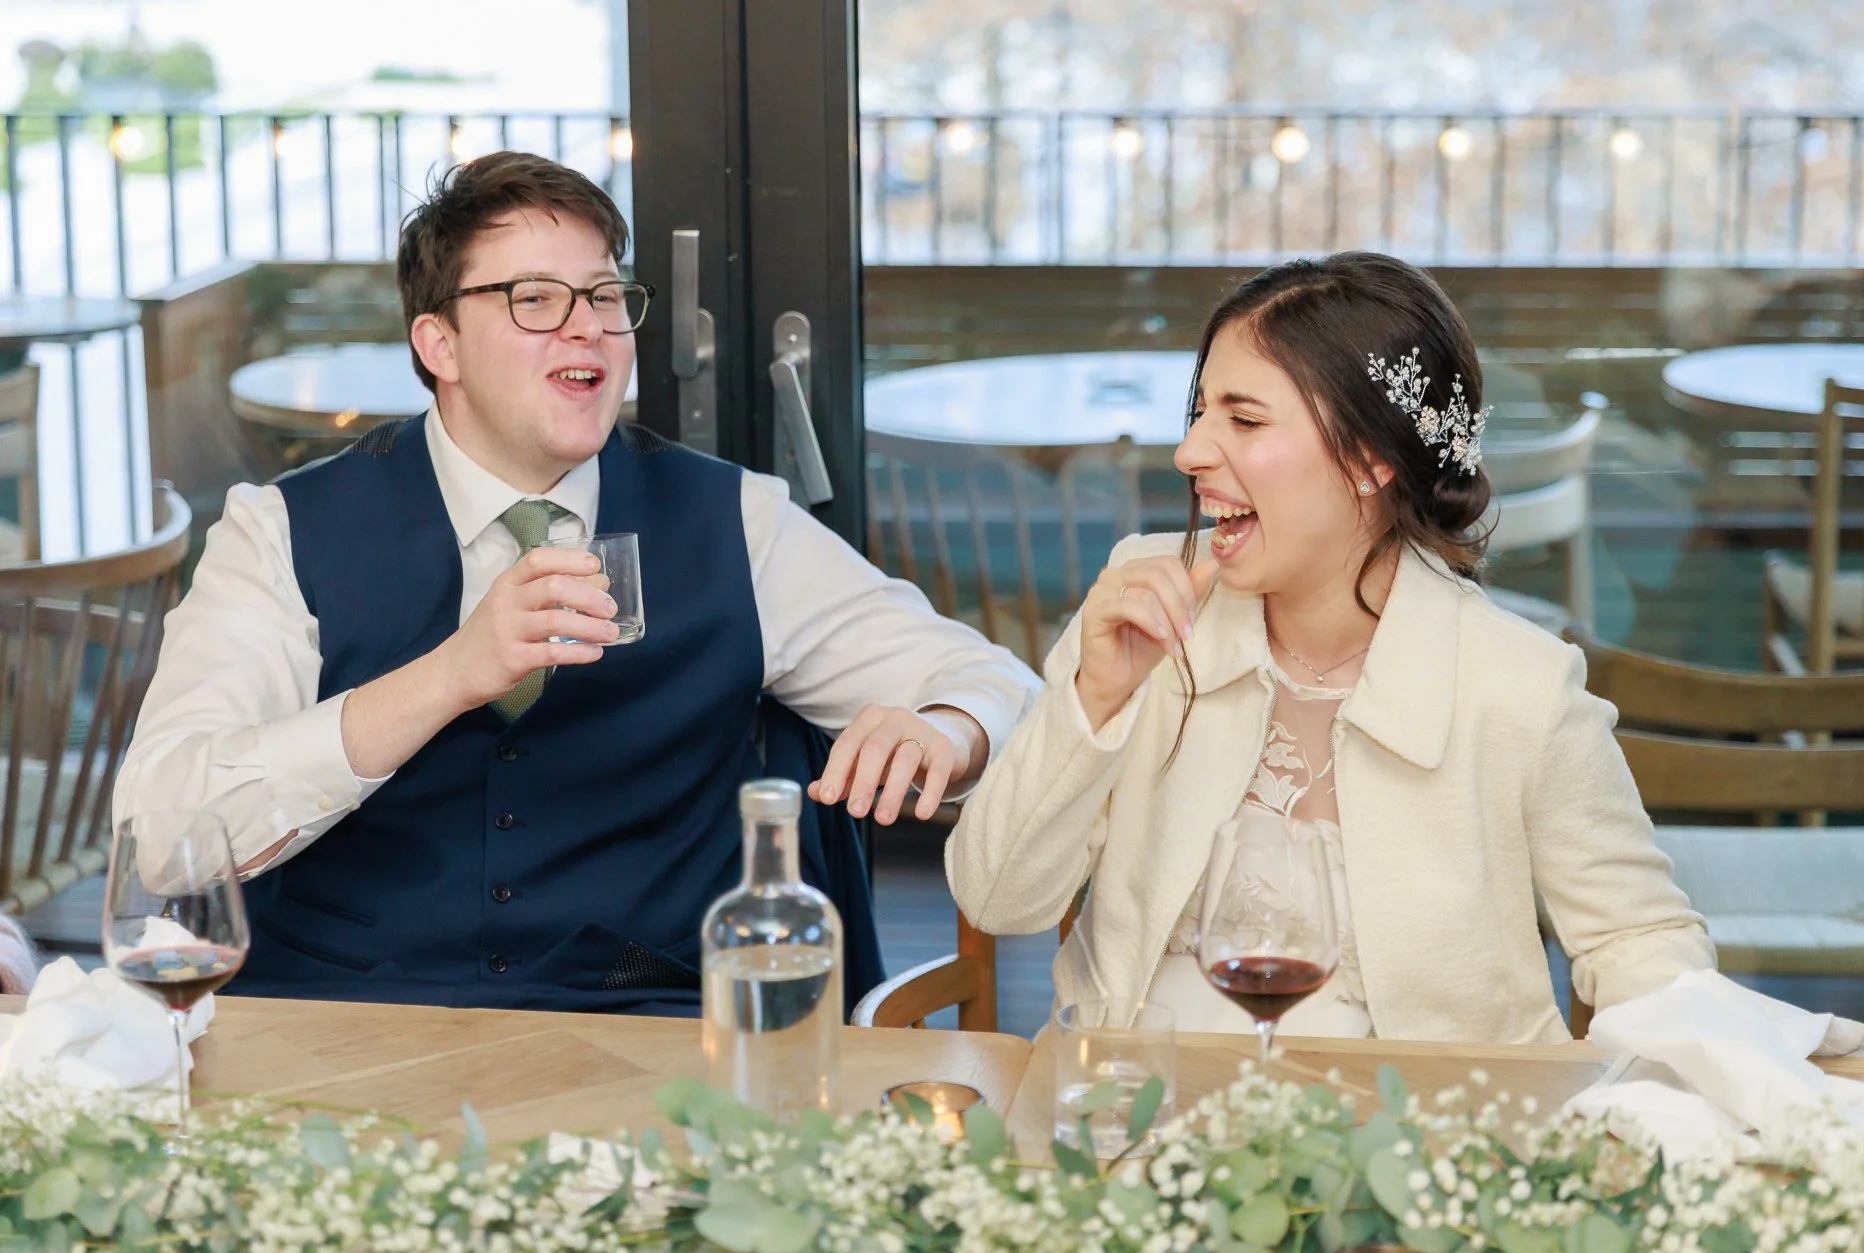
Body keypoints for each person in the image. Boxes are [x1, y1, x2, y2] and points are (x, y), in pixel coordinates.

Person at [114, 151, 1039, 1015]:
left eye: (604, 295)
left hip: (653, 1030)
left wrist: (945, 733)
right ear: (439, 343)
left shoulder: (735, 520)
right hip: (348, 1022)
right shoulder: (278, 531)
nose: (588, 326)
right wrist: (450, 674)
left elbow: (998, 688)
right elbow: (162, 831)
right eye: (535, 300)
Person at [947, 252, 1713, 1044]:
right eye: (1199, 413)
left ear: (1367, 460)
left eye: (1243, 420)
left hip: (1424, 1140)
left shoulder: (1518, 685)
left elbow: (1639, 942)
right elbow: (998, 900)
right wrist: (1094, 699)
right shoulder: (1143, 601)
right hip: (1140, 1120)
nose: (1190, 454)